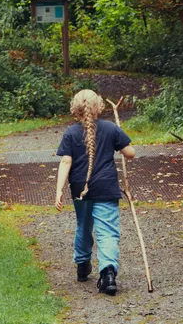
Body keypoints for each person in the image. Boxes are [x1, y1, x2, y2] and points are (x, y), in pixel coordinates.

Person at [54, 89, 136, 296]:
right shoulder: (110, 128)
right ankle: (108, 274)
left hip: (80, 189)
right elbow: (131, 153)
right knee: (107, 231)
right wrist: (119, 140)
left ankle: (82, 264)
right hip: (106, 187)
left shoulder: (71, 133)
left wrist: (59, 190)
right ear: (99, 107)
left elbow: (65, 161)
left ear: (76, 109)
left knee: (83, 225)